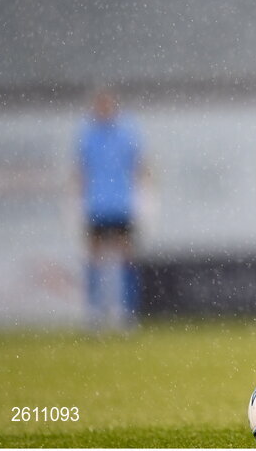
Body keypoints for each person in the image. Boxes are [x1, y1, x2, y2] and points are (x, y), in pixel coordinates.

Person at [76, 89, 146, 330]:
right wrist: (76, 203)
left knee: (126, 258)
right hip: (95, 204)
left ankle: (126, 312)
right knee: (94, 258)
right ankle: (95, 312)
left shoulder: (126, 132)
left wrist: (144, 201)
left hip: (121, 204)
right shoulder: (87, 135)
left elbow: (140, 167)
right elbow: (80, 171)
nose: (104, 108)